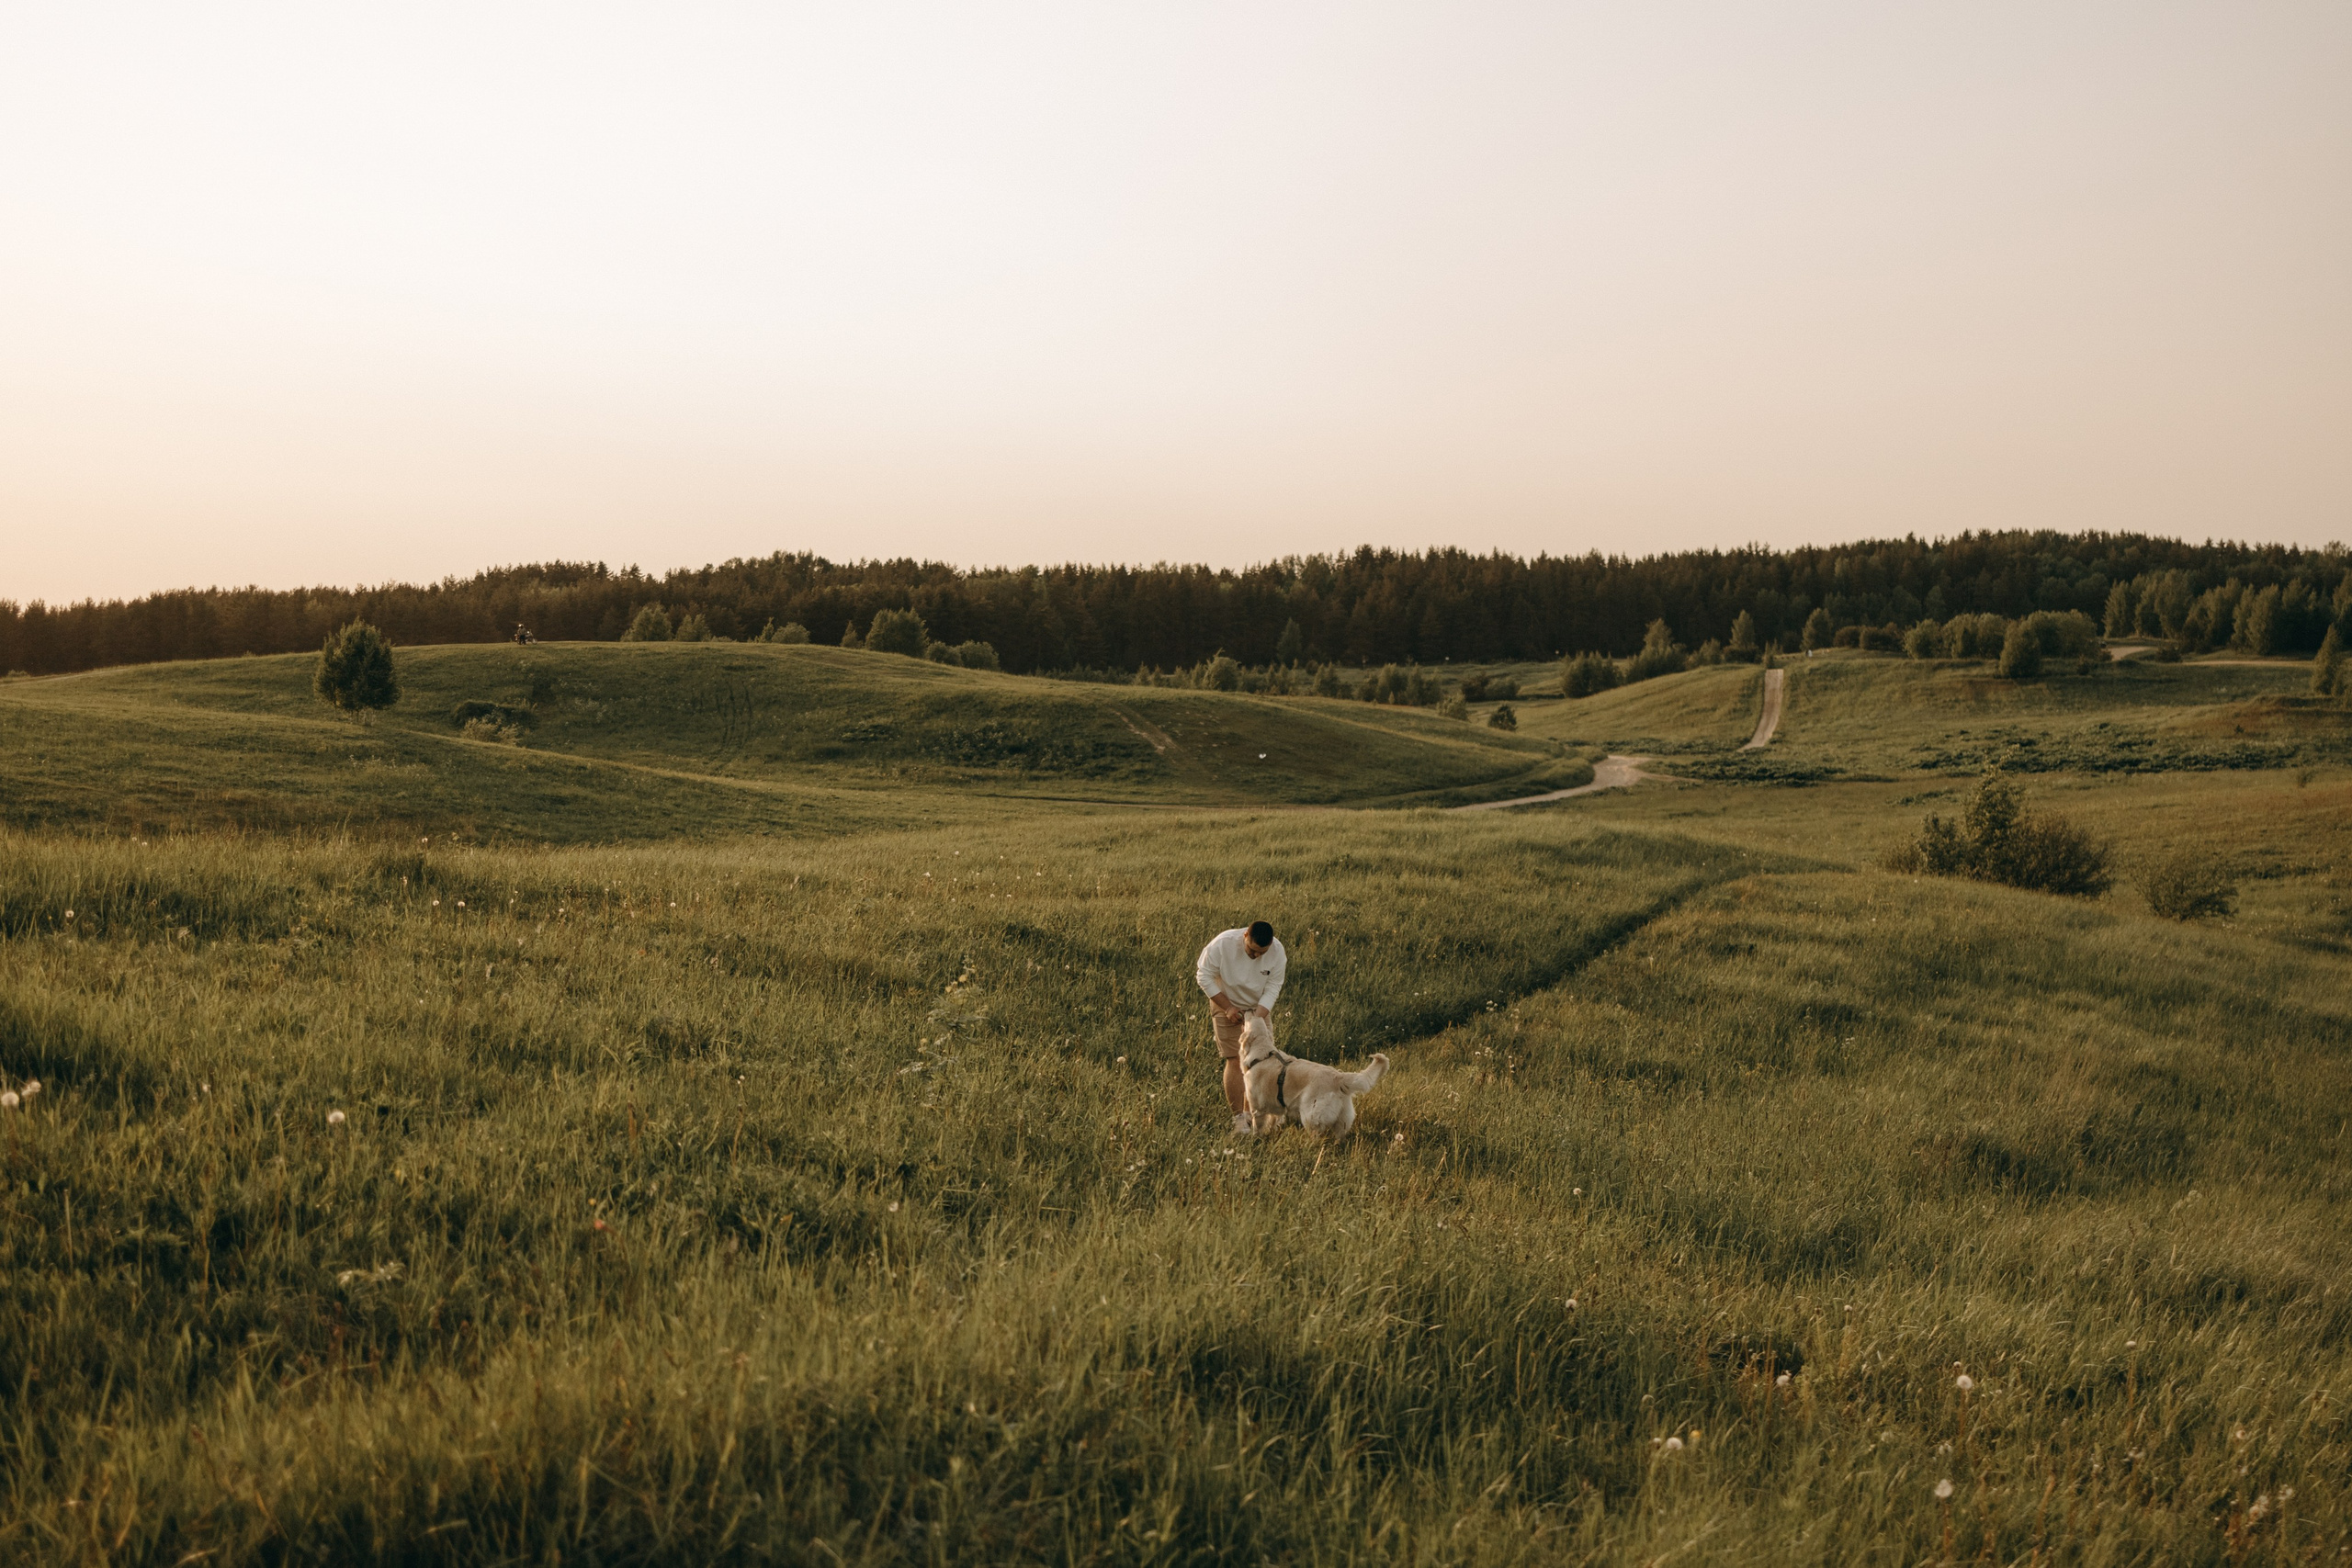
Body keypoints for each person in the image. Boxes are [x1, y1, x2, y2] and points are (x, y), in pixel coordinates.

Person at [1195, 919, 1286, 1133]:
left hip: (1258, 1008)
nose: (1256, 956)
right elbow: (1203, 976)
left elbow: (1274, 986)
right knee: (1236, 1060)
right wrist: (1227, 1008)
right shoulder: (1223, 944)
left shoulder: (1277, 952)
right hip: (1226, 1001)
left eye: (1261, 953)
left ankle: (1253, 1114)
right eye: (1252, 951)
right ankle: (1238, 1118)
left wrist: (1257, 1018)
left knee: (1262, 1060)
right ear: (1245, 936)